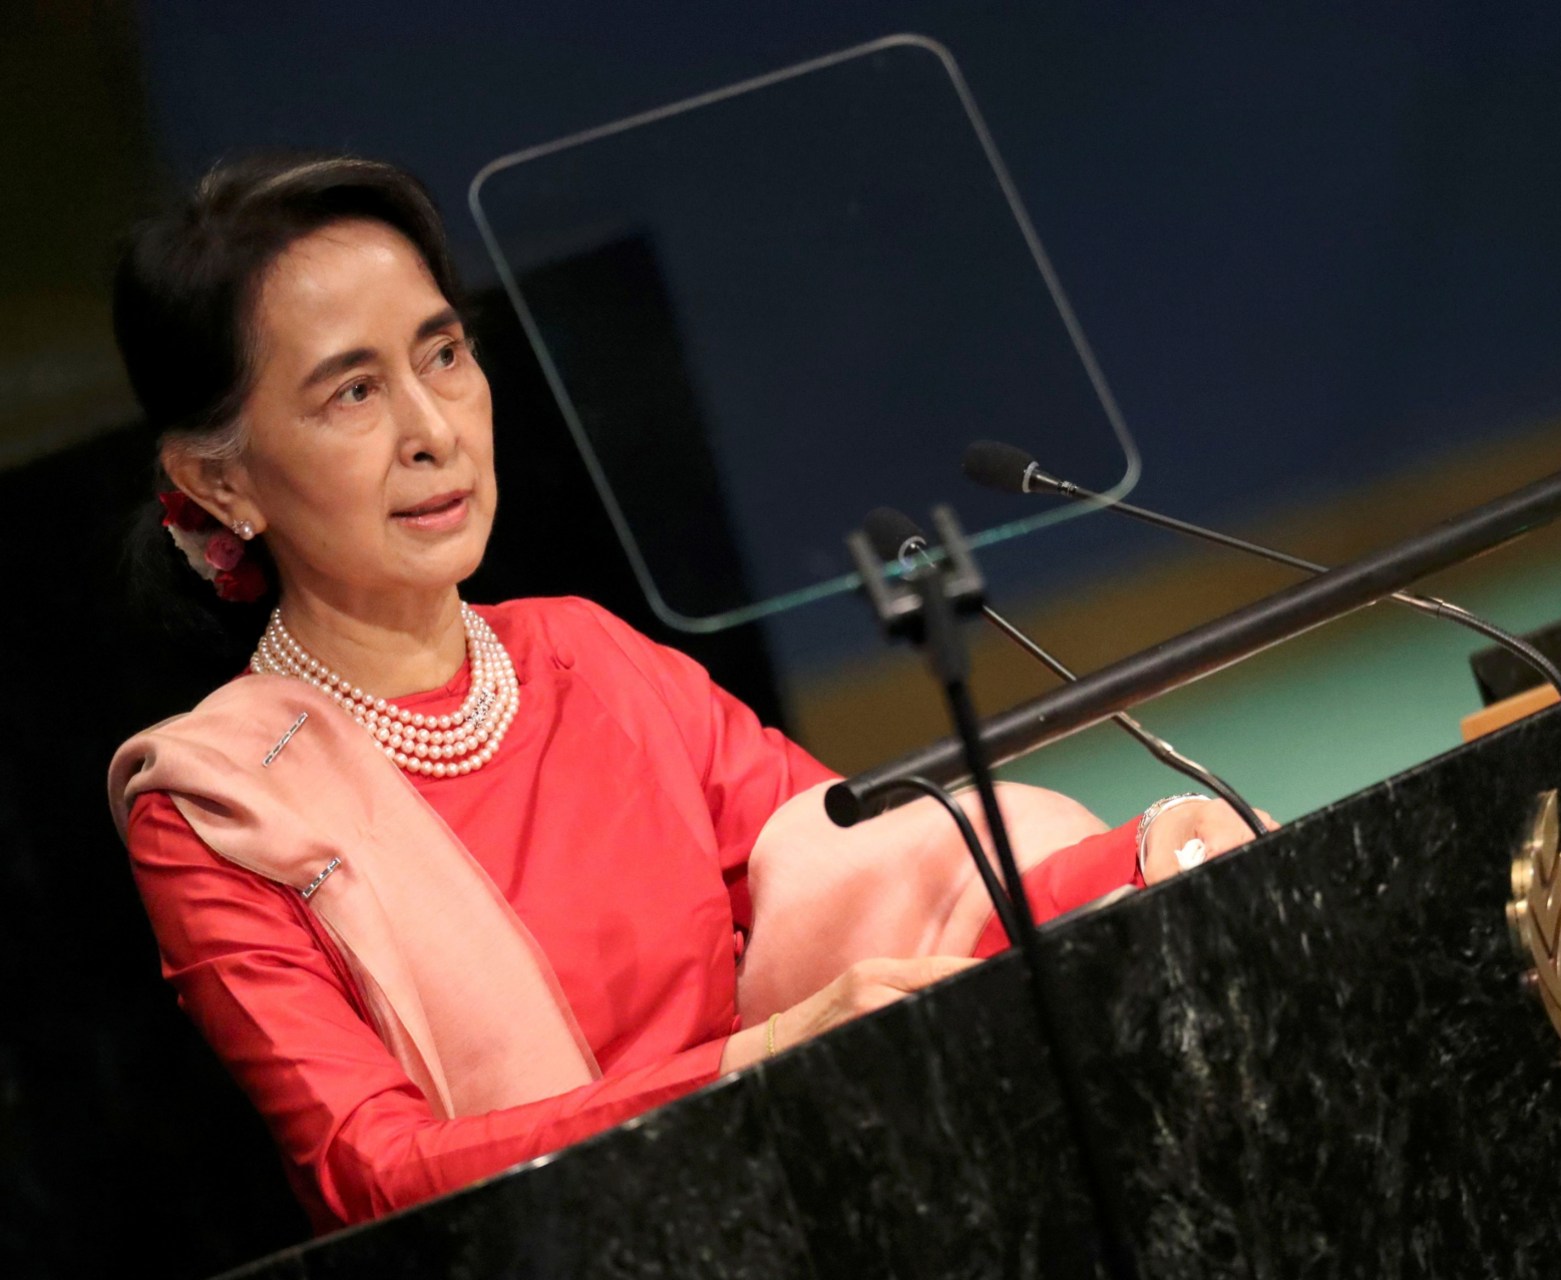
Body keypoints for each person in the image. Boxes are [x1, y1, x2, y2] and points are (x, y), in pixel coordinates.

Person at [105, 152, 1273, 1234]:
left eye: (444, 354)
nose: (431, 429)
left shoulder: (589, 656)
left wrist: (1148, 862)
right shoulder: (218, 806)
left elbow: (887, 884)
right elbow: (379, 1172)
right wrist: (752, 1064)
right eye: (352, 393)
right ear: (220, 479)